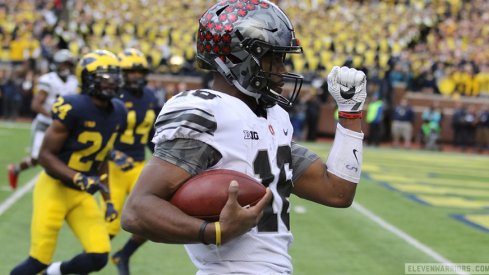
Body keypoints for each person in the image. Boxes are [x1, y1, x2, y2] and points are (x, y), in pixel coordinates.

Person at [121, 1, 367, 274]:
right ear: (236, 58)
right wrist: (213, 231)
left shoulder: (274, 117)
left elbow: (337, 192)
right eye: (271, 57)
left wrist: (350, 115)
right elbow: (137, 211)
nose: (282, 70)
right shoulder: (209, 111)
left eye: (282, 58)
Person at [10, 50, 126, 275]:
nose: (112, 82)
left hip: (81, 194)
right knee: (37, 261)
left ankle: (54, 273)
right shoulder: (73, 106)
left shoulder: (118, 111)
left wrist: (109, 200)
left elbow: (102, 157)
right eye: (105, 77)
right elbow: (44, 156)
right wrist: (77, 177)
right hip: (54, 188)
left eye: (114, 76)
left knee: (99, 255)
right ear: (88, 79)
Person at [107, 48, 159, 275]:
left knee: (152, 219)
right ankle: (89, 259)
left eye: (140, 72)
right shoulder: (113, 96)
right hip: (112, 167)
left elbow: (152, 135)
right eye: (131, 72)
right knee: (107, 226)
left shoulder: (149, 96)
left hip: (138, 165)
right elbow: (100, 133)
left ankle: (123, 254)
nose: (136, 76)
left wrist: (162, 157)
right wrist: (113, 153)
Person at [7, 49, 78, 189]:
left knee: (64, 156)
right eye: (64, 64)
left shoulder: (73, 81)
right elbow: (36, 104)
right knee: (37, 158)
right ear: (57, 64)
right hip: (45, 124)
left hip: (63, 126)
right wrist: (54, 117)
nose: (66, 68)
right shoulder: (49, 80)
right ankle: (15, 170)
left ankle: (59, 183)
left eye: (69, 65)